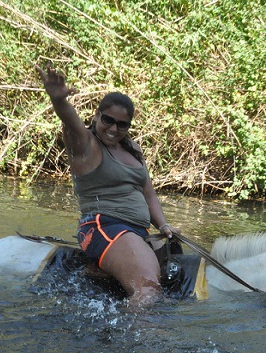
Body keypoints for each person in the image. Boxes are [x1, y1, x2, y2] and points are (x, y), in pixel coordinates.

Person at [36, 63, 179, 309]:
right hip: (105, 227)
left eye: (122, 124)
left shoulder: (133, 150)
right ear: (97, 115)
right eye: (108, 120)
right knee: (148, 291)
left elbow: (149, 196)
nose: (113, 129)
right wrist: (58, 101)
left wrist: (163, 225)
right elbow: (71, 122)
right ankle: (130, 343)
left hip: (138, 232)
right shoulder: (85, 145)